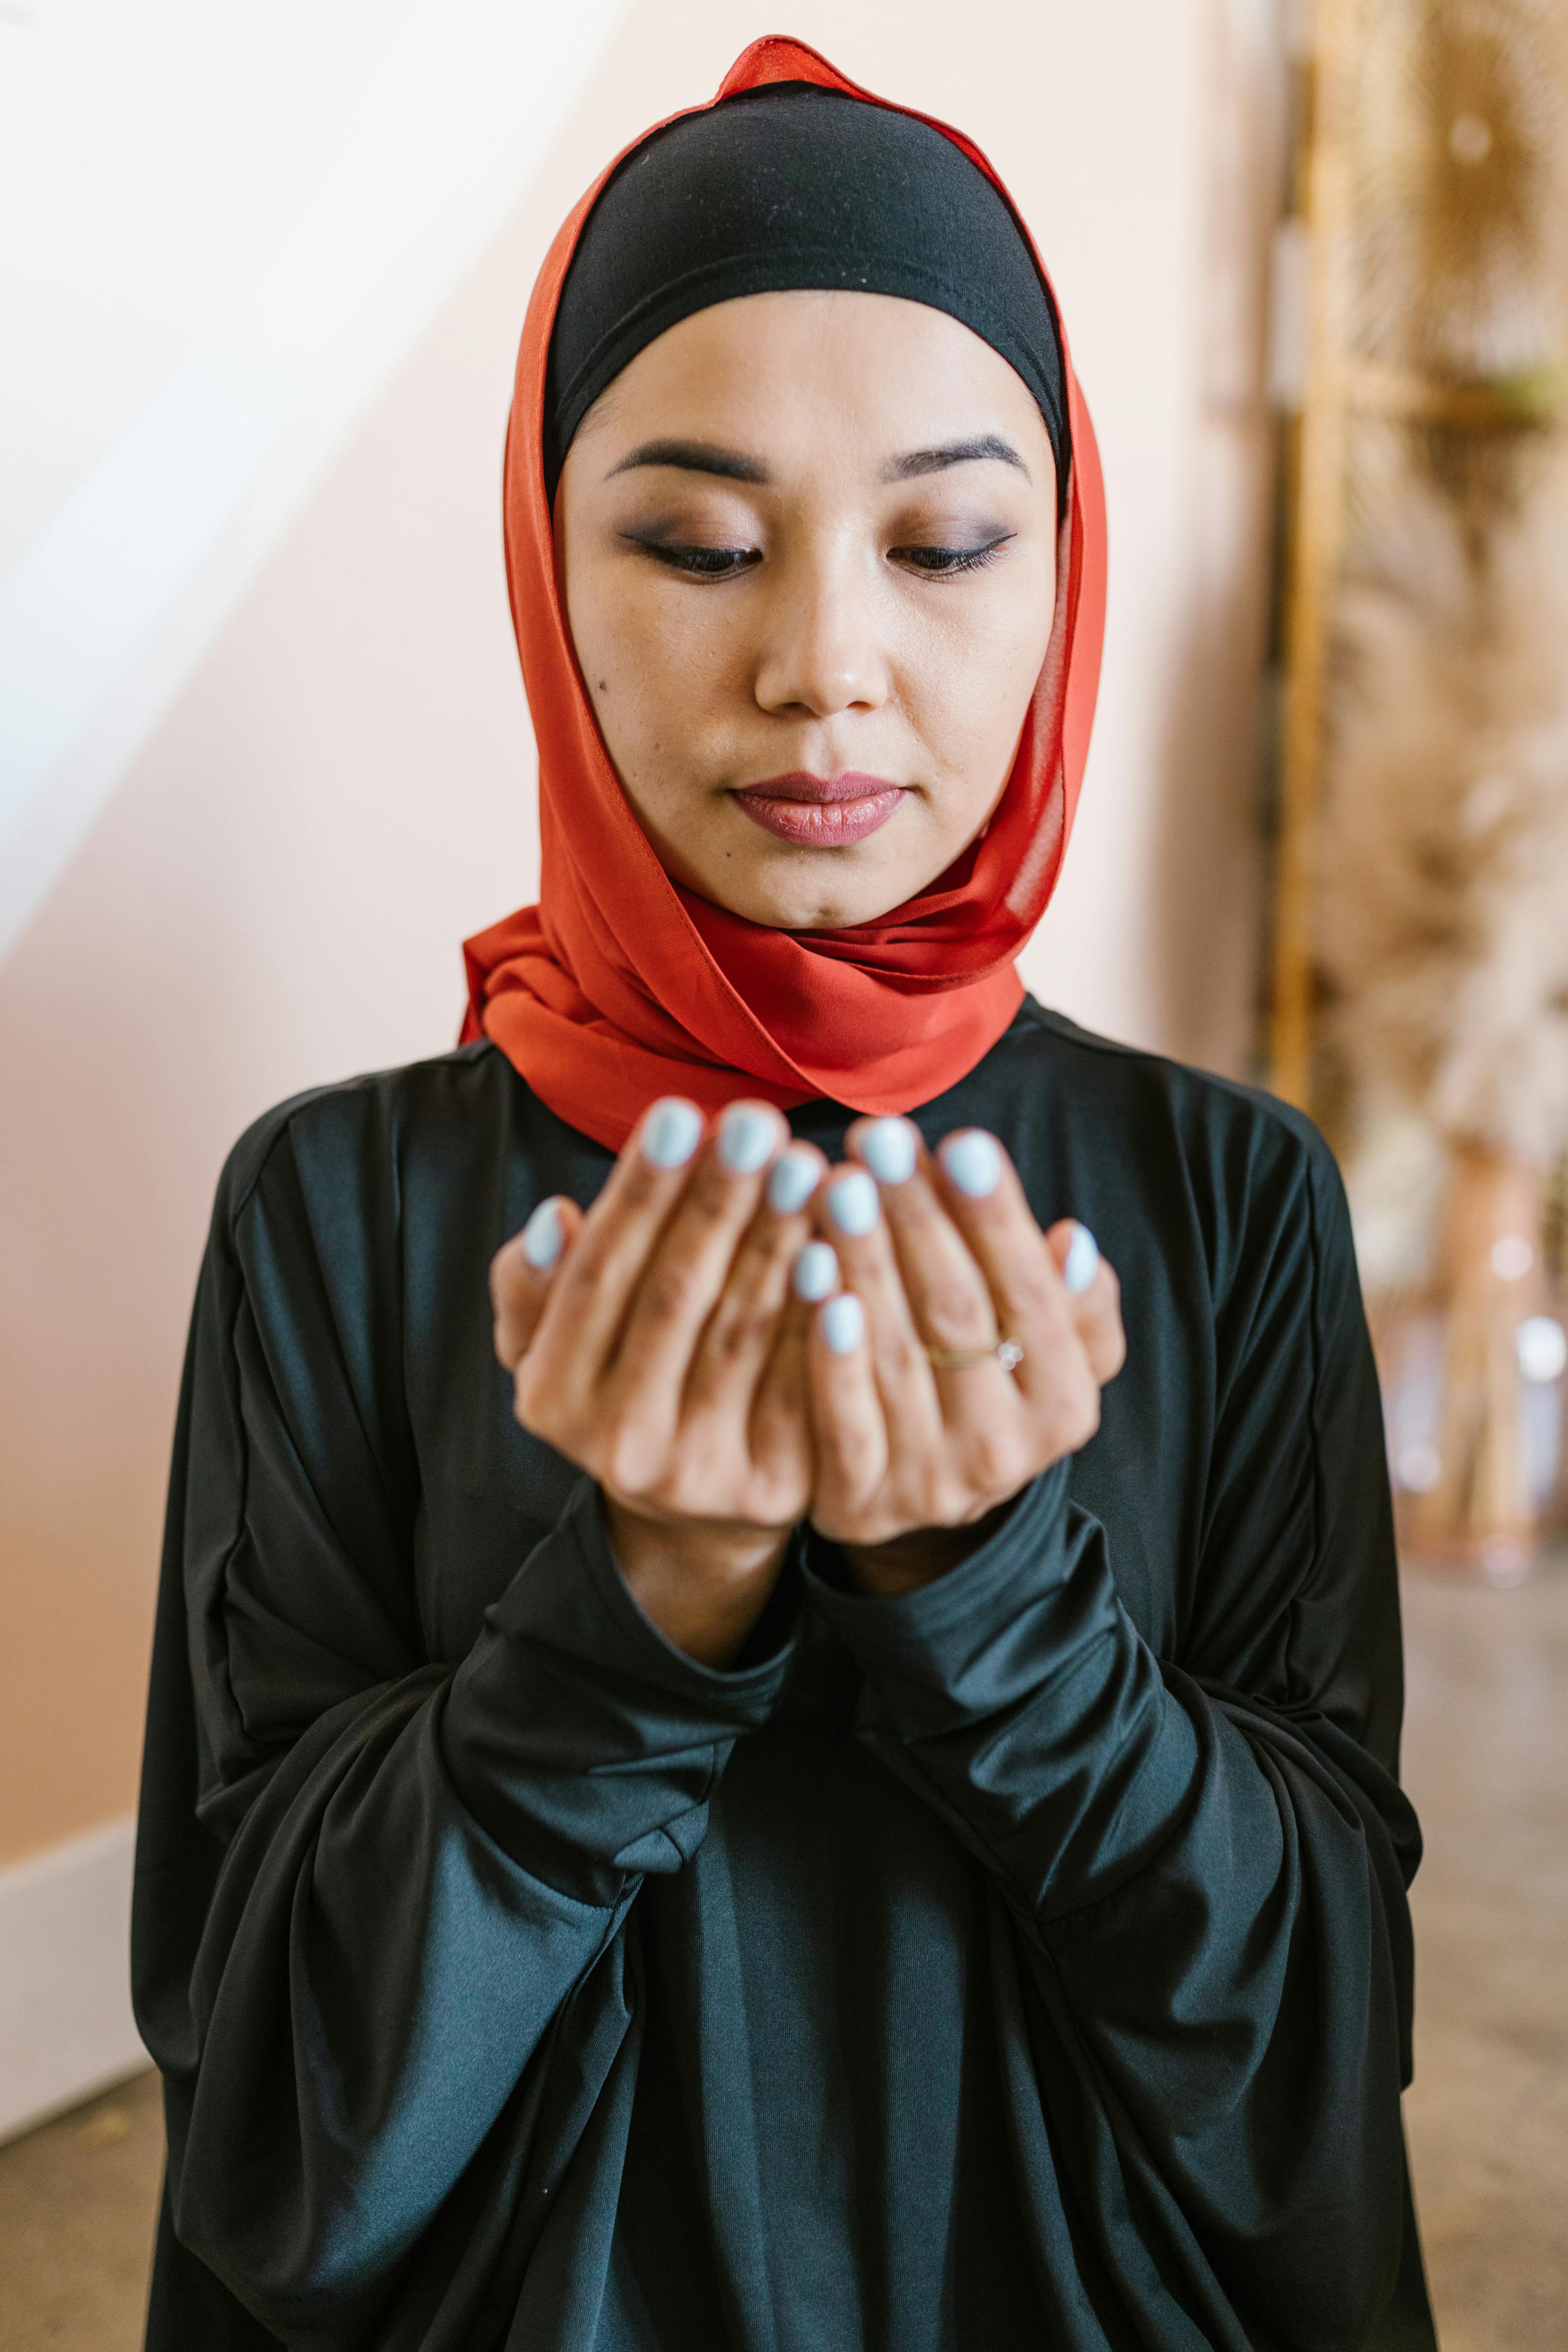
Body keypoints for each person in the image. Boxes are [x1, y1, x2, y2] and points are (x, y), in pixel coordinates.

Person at [132, 36, 1435, 2351]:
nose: (826, 662)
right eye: (699, 542)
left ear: (1064, 571)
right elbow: (282, 2107)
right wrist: (636, 1602)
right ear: (551, 572)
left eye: (944, 544)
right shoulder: (330, 1213)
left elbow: (1307, 2057)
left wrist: (996, 1600)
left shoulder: (1225, 1201)